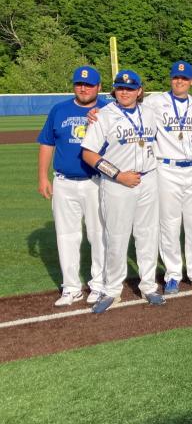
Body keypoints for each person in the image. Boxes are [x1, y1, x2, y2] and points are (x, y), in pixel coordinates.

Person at [80, 70, 165, 314]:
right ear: (114, 90)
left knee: (148, 235)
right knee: (116, 237)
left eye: (130, 88)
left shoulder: (149, 112)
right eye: (120, 88)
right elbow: (89, 153)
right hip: (117, 183)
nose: (125, 91)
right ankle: (112, 289)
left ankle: (149, 286)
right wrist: (117, 175)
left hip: (148, 179)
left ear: (140, 90)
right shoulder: (104, 116)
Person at [37, 66, 107, 306]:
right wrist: (43, 177)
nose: (83, 87)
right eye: (79, 83)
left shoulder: (109, 109)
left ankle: (98, 284)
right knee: (67, 236)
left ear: (99, 87)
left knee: (98, 235)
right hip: (64, 182)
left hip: (96, 182)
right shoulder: (59, 110)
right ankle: (71, 287)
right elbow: (47, 143)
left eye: (89, 84)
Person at [141, 60, 192, 294]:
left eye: (184, 78)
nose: (179, 81)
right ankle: (173, 272)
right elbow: (128, 103)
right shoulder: (154, 101)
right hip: (166, 168)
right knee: (169, 222)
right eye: (175, 77)